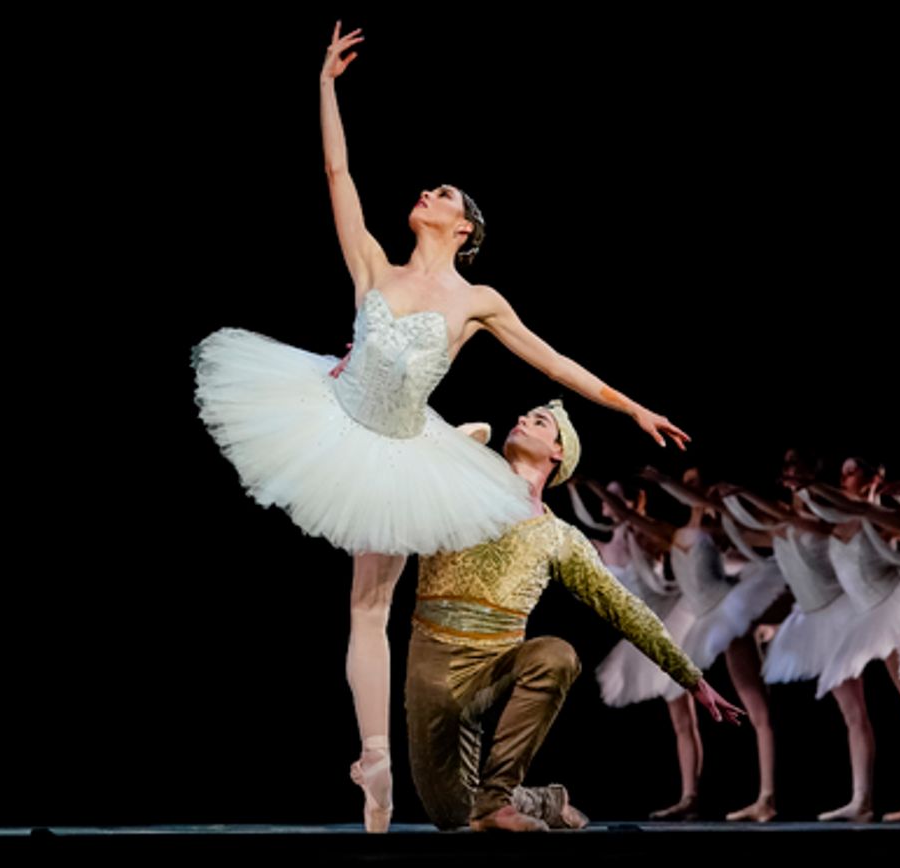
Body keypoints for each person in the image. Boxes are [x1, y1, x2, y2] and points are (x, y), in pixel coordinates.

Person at [190, 23, 689, 832]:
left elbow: (554, 361)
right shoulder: (373, 267)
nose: (431, 193)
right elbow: (337, 170)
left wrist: (630, 406)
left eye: (447, 194)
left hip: (395, 451)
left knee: (368, 608)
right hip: (332, 418)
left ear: (466, 230)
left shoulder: (476, 302)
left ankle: (375, 761)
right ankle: (378, 758)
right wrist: (324, 85)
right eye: (431, 189)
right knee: (361, 608)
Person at [404, 401, 742, 831]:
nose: (522, 419)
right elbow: (410, 439)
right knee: (449, 813)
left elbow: (624, 608)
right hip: (433, 664)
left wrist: (690, 677)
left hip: (498, 664)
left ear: (559, 452)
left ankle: (496, 803)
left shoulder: (559, 537)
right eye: (524, 415)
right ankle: (544, 801)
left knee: (556, 656)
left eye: (539, 421)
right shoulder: (462, 483)